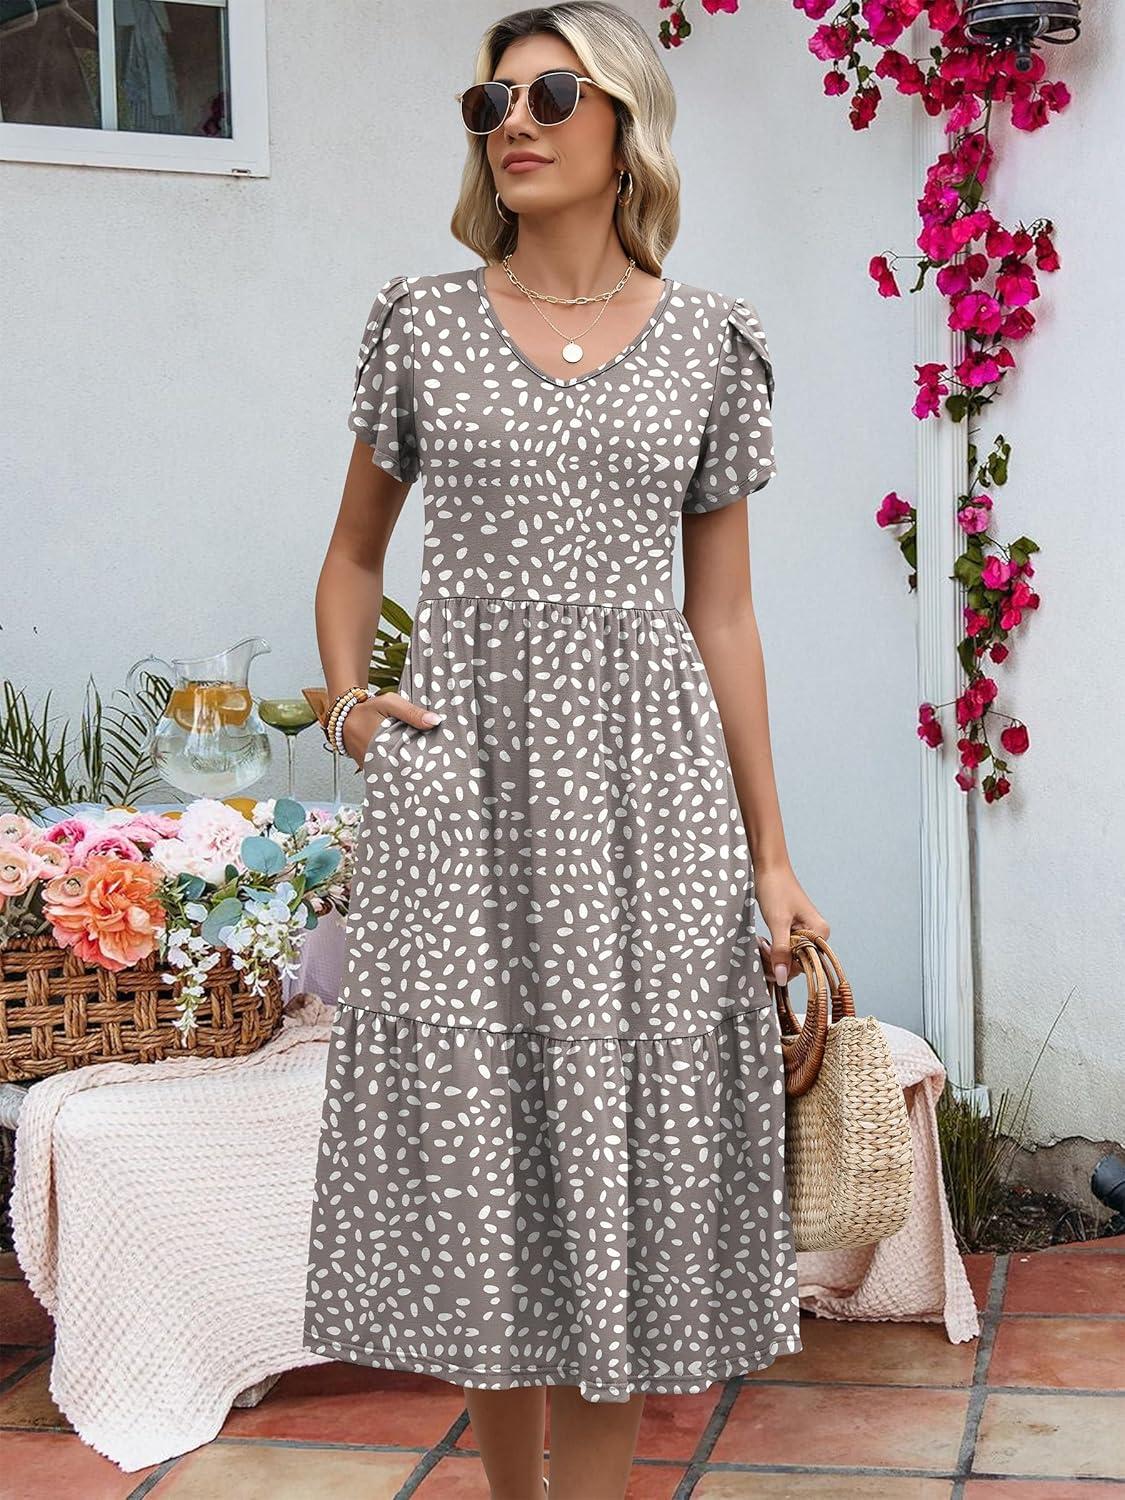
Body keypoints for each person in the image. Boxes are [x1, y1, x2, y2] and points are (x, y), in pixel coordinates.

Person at [303, 5, 830, 1497]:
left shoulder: (710, 344)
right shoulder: (420, 323)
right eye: (491, 104)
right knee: (489, 1151)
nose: (514, 125)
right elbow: (352, 557)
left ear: (626, 127)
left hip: (647, 798)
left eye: (550, 96)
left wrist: (772, 857)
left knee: (619, 1149)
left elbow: (724, 617)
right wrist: (351, 707)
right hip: (464, 790)